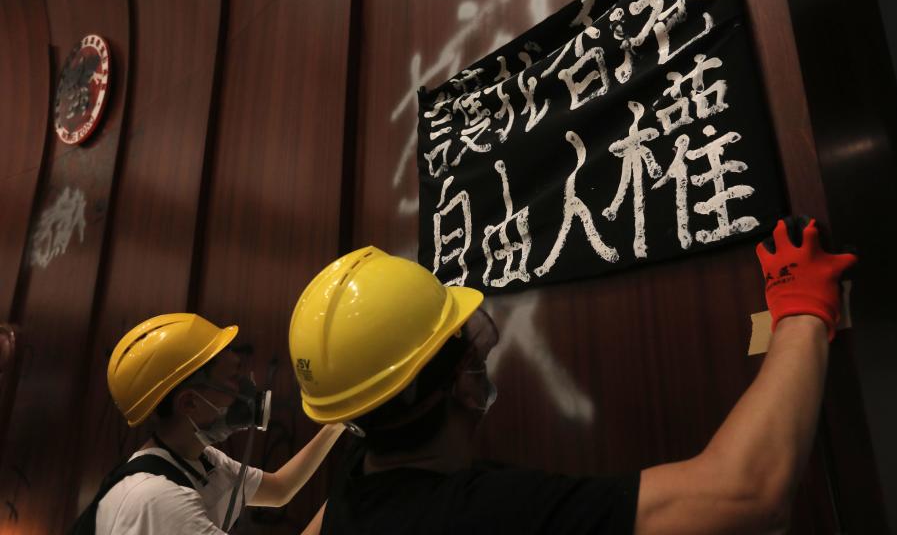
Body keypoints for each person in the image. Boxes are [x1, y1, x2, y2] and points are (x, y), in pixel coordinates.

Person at [288, 216, 857, 533]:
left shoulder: (356, 481)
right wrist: (802, 309)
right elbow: (748, 495)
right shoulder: (481, 515)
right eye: (467, 343)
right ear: (461, 382)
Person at [75, 313, 345, 534]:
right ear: (190, 403)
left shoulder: (200, 462)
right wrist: (354, 492)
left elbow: (279, 489)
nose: (245, 388)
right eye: (232, 379)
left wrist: (339, 421)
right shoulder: (158, 499)